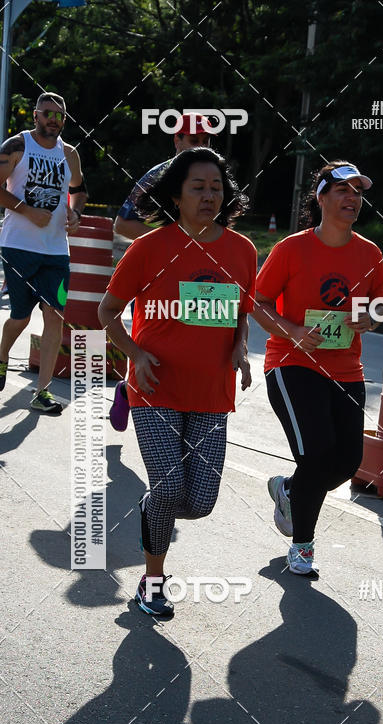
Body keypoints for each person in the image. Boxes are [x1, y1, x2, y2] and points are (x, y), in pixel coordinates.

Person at [99, 147, 256, 617]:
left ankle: (153, 510)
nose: (209, 196)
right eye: (198, 187)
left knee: (201, 502)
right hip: (155, 389)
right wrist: (135, 354)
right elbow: (108, 311)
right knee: (169, 488)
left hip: (211, 393)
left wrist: (240, 347)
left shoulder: (242, 250)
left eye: (216, 187)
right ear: (176, 195)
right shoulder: (150, 248)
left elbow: (240, 314)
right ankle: (152, 582)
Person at [252, 161, 383, 577]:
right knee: (315, 453)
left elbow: (379, 303)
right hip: (292, 362)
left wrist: (371, 318)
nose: (352, 198)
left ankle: (290, 490)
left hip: (346, 369)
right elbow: (257, 302)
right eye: (343, 190)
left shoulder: (369, 253)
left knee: (346, 463)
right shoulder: (291, 249)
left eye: (357, 192)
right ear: (322, 197)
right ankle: (302, 546)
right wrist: (292, 331)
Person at [109, 113, 211, 432]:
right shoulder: (158, 177)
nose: (201, 146)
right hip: (157, 277)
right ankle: (129, 390)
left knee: (194, 345)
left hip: (200, 276)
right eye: (193, 140)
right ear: (176, 140)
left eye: (206, 141)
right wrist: (171, 243)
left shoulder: (216, 177)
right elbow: (122, 224)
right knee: (155, 349)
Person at [0, 92, 87, 413]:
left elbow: (79, 190)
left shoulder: (69, 153)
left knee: (55, 315)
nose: (53, 119)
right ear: (36, 115)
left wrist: (75, 213)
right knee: (20, 318)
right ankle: (2, 355)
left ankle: (42, 392)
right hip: (18, 248)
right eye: (47, 113)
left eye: (59, 115)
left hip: (56, 252)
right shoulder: (17, 146)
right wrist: (25, 209)